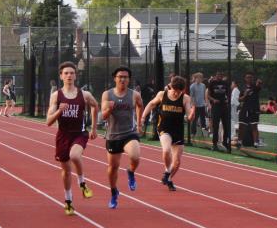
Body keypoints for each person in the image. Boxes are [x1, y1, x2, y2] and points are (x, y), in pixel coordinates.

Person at [46, 62, 99, 215]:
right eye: (66, 73)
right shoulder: (56, 96)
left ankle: (82, 183)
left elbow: (95, 106)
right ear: (61, 76)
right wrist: (59, 111)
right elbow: (48, 122)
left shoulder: (84, 95)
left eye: (71, 73)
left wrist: (94, 128)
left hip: (79, 134)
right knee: (66, 171)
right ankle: (68, 201)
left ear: (76, 76)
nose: (69, 75)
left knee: (74, 155)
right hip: (63, 136)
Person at [141, 75, 194, 191]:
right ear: (171, 87)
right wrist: (143, 117)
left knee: (177, 162)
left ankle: (168, 178)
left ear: (183, 90)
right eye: (174, 91)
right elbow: (151, 104)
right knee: (166, 150)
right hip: (164, 128)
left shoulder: (185, 98)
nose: (176, 93)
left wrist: (191, 115)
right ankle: (167, 171)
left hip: (178, 130)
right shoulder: (162, 94)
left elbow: (189, 114)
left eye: (179, 92)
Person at [101, 67, 144, 209]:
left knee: (135, 156)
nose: (123, 79)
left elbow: (140, 106)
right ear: (115, 78)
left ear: (129, 79)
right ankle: (114, 192)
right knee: (113, 167)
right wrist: (109, 109)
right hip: (113, 135)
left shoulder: (134, 94)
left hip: (129, 133)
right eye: (120, 77)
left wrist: (139, 123)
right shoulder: (107, 94)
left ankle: (131, 171)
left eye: (125, 77)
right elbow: (104, 116)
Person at [206, 70, 230, 152]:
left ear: (222, 76)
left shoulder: (225, 83)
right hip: (216, 106)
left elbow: (228, 94)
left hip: (224, 106)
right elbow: (208, 95)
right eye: (218, 75)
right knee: (215, 125)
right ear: (216, 76)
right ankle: (214, 144)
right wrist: (213, 100)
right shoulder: (212, 83)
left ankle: (225, 143)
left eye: (221, 75)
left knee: (226, 125)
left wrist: (228, 100)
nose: (219, 76)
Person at [238, 72, 262, 147]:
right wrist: (245, 95)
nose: (249, 79)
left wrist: (259, 82)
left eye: (251, 77)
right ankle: (239, 141)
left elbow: (259, 86)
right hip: (245, 109)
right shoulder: (243, 87)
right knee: (241, 125)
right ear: (245, 79)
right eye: (248, 77)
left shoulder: (255, 87)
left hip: (254, 109)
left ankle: (256, 142)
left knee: (254, 125)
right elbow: (239, 99)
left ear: (253, 78)